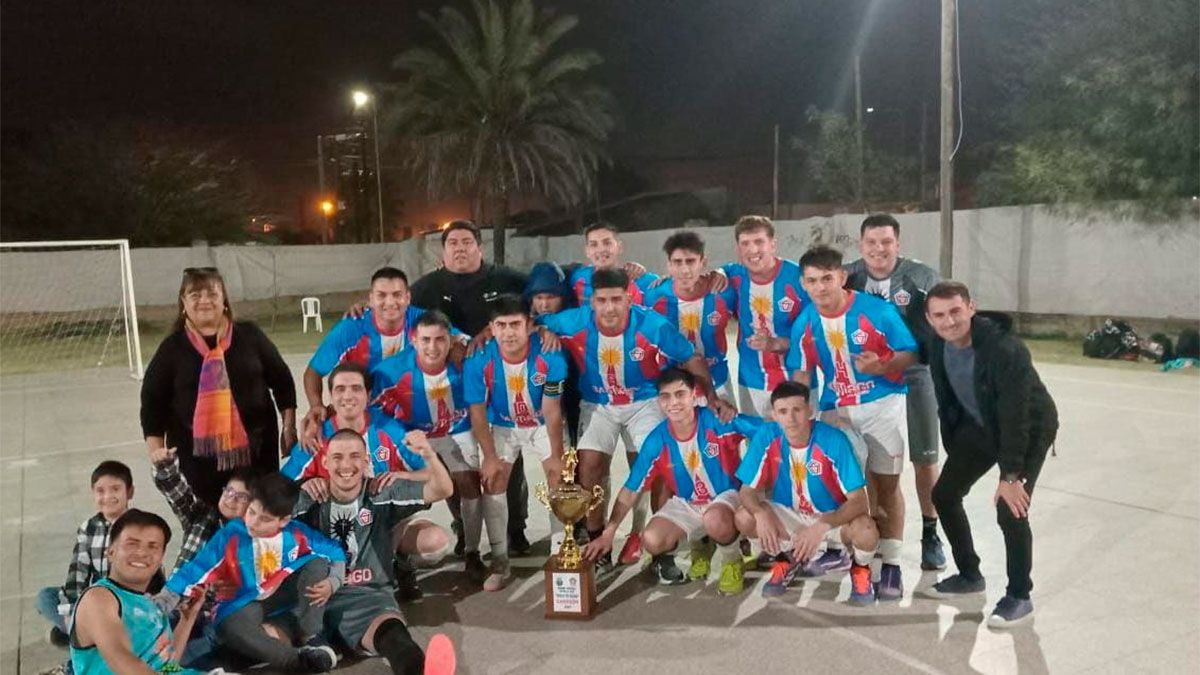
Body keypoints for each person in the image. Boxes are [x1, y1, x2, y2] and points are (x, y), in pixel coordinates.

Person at [539, 270, 737, 570]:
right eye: (602, 300)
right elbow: (531, 323)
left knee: (660, 468)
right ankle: (597, 543)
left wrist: (710, 397)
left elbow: (691, 357)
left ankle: (663, 551)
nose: (609, 308)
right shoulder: (573, 321)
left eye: (616, 299)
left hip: (643, 403)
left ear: (629, 299)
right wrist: (542, 331)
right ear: (592, 302)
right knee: (589, 466)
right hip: (598, 404)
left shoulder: (652, 325)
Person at [920, 281, 1058, 628]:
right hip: (981, 425)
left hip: (1028, 427)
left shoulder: (1005, 349)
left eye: (955, 311)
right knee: (945, 494)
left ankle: (1019, 596)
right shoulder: (937, 342)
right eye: (940, 315)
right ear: (930, 319)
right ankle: (970, 575)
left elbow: (1016, 414)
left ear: (971, 307)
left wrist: (1010, 476)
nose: (949, 321)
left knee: (1010, 509)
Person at [788, 245, 919, 599]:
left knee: (887, 485)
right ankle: (846, 552)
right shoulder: (805, 323)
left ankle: (891, 565)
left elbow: (910, 353)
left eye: (827, 278)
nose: (820, 287)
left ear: (842, 277)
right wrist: (796, 414)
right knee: (839, 486)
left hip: (883, 407)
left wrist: (882, 365)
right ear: (803, 284)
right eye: (812, 281)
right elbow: (801, 374)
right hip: (837, 410)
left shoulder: (877, 311)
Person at [409, 220, 532, 553]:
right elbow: (397, 310)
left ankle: (515, 527)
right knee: (456, 460)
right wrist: (361, 308)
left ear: (480, 246)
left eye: (466, 242)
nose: (460, 248)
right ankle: (464, 525)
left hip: (500, 381)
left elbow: (547, 293)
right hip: (450, 387)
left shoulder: (506, 279)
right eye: (453, 243)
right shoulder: (426, 287)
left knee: (506, 453)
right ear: (443, 249)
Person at [582, 368, 762, 594]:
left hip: (726, 497)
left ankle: (731, 559)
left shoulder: (717, 419)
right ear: (659, 401)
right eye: (665, 396)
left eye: (680, 394)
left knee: (714, 519)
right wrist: (608, 533)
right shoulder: (657, 440)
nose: (673, 403)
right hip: (689, 503)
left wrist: (751, 477)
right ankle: (701, 545)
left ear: (694, 395)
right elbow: (631, 489)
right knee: (652, 539)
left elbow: (764, 432)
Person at [292, 429, 453, 675]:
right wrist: (300, 484)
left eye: (355, 456)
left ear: (367, 460)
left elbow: (443, 490)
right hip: (310, 601)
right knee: (264, 635)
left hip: (367, 599)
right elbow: (259, 508)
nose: (346, 465)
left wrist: (429, 455)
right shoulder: (309, 497)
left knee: (397, 641)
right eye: (337, 457)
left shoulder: (380, 493)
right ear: (324, 462)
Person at [140, 267, 297, 507]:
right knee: (207, 523)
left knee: (259, 516)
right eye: (195, 295)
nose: (204, 300)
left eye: (212, 294)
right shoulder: (172, 349)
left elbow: (282, 380)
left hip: (256, 455)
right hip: (196, 464)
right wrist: (157, 453)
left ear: (224, 300)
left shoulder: (250, 336)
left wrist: (289, 427)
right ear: (183, 303)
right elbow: (152, 403)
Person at [159, 473, 346, 672]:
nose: (254, 522)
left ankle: (311, 635)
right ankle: (298, 661)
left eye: (265, 519)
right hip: (242, 604)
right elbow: (196, 569)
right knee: (229, 626)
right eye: (251, 512)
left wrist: (333, 581)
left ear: (284, 520)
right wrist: (165, 599)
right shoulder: (231, 534)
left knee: (317, 562)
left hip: (280, 597)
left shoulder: (296, 533)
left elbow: (334, 551)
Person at [844, 213, 947, 571]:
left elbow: (946, 319)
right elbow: (806, 281)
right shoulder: (848, 276)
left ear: (897, 244)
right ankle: (876, 530)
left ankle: (931, 533)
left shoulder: (922, 278)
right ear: (861, 245)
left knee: (925, 458)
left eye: (886, 242)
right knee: (875, 462)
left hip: (915, 375)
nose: (879, 249)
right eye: (871, 242)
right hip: (869, 380)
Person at [735, 382, 879, 603]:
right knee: (744, 516)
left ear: (810, 410)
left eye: (797, 410)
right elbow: (746, 491)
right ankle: (785, 558)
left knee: (866, 530)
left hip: (830, 518)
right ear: (774, 415)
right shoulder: (766, 436)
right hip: (791, 516)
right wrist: (760, 514)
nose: (791, 418)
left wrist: (823, 525)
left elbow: (860, 501)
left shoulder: (833, 440)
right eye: (783, 411)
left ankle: (860, 568)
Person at [463, 295, 570, 590]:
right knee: (493, 478)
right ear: (491, 328)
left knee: (559, 476)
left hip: (541, 424)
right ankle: (500, 559)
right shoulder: (478, 359)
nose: (508, 332)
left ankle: (560, 554)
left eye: (515, 324)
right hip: (503, 425)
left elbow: (552, 409)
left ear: (529, 326)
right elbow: (477, 411)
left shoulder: (550, 354)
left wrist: (557, 455)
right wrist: (489, 457)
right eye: (501, 325)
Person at [301, 267, 463, 439]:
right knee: (319, 434)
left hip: (413, 414)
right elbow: (313, 372)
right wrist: (316, 405)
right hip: (365, 412)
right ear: (371, 299)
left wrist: (457, 345)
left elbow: (460, 341)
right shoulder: (351, 329)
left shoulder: (422, 322)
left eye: (397, 295)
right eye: (382, 295)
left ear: (408, 297)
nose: (390, 302)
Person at [68, 509, 213, 675]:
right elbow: (124, 664)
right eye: (132, 544)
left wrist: (187, 619)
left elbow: (167, 667)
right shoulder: (99, 598)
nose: (142, 553)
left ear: (161, 558)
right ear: (111, 552)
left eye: (153, 546)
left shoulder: (150, 605)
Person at [38, 461, 157, 648]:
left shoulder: (142, 526)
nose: (107, 496)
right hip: (97, 604)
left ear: (130, 492)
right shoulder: (89, 528)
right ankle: (84, 633)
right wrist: (74, 611)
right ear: (93, 493)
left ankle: (80, 638)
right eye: (100, 491)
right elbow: (78, 573)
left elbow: (152, 576)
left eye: (115, 489)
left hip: (131, 607)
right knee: (46, 597)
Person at [720, 216, 808, 419]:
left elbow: (816, 335)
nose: (752, 250)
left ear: (773, 244)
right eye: (745, 243)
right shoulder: (732, 276)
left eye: (759, 241)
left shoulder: (799, 279)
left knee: (800, 437)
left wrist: (777, 343)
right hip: (751, 381)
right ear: (738, 249)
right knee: (759, 438)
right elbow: (698, 280)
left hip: (796, 378)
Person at [644, 231, 737, 401]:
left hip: (718, 382)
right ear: (669, 266)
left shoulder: (724, 293)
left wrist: (721, 271)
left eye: (691, 261)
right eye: (677, 262)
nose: (685, 270)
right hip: (673, 389)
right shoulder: (653, 297)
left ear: (703, 262)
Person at [150, 447, 255, 572]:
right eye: (229, 491)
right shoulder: (201, 516)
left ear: (253, 506)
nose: (231, 499)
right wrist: (165, 464)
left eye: (242, 497)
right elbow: (176, 491)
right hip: (180, 583)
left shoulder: (254, 539)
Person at [525, 261, 582, 447]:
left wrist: (541, 326)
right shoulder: (524, 324)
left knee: (578, 445)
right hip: (545, 392)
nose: (544, 304)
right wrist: (539, 327)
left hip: (579, 387)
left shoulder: (574, 318)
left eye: (551, 297)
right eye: (539, 297)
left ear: (563, 297)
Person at [567, 222, 658, 306]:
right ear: (587, 251)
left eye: (607, 243)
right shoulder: (577, 277)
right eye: (594, 245)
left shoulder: (646, 281)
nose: (601, 250)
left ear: (619, 247)